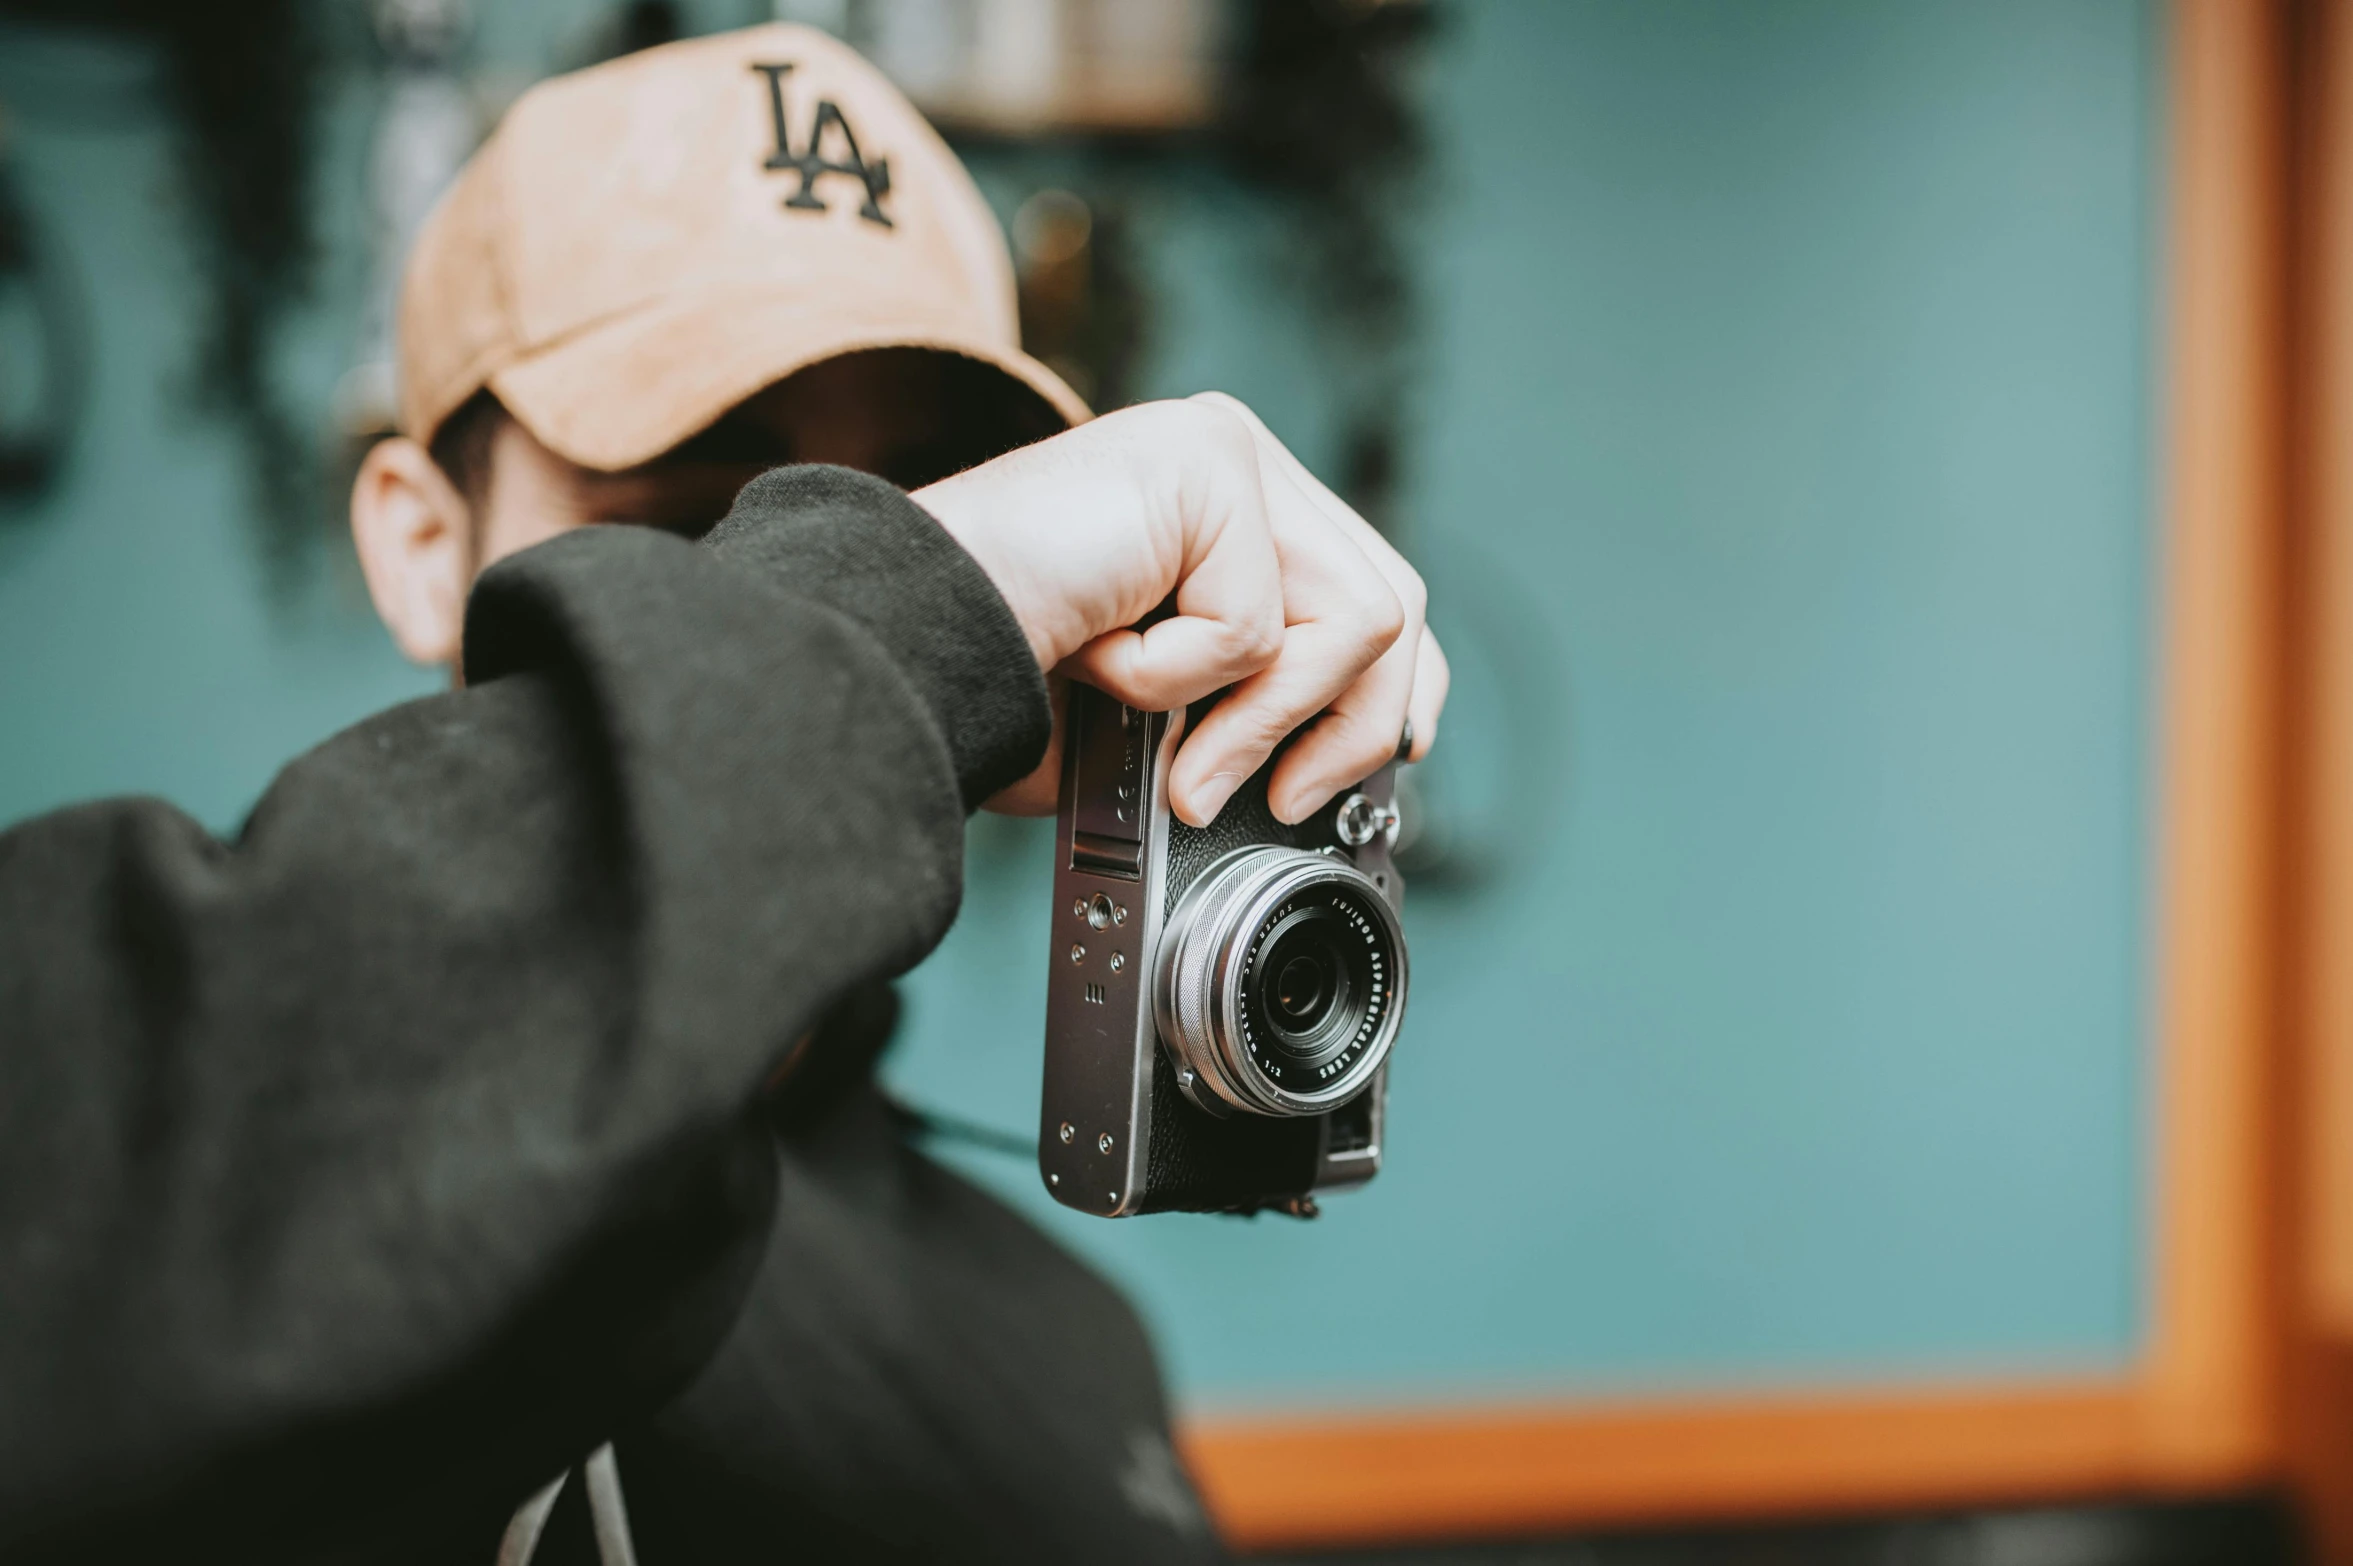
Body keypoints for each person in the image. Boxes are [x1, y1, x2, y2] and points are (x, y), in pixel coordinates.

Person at [0, 23, 1446, 1566]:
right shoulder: (205, 1195)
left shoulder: (1073, 1344)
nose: (898, 616)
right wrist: (921, 599)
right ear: (425, 544)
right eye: (703, 521)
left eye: (928, 521)